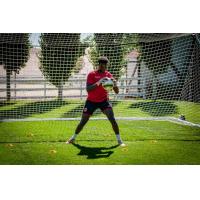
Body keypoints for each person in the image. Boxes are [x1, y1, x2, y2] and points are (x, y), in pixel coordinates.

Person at [66, 56, 125, 146]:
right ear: (98, 65)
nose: (102, 67)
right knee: (83, 121)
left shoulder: (109, 75)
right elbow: (88, 89)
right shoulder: (92, 74)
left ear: (106, 66)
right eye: (101, 65)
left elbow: (117, 92)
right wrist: (99, 82)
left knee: (112, 119)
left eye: (104, 65)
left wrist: (115, 84)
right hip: (91, 101)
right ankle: (73, 138)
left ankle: (119, 141)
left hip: (104, 101)